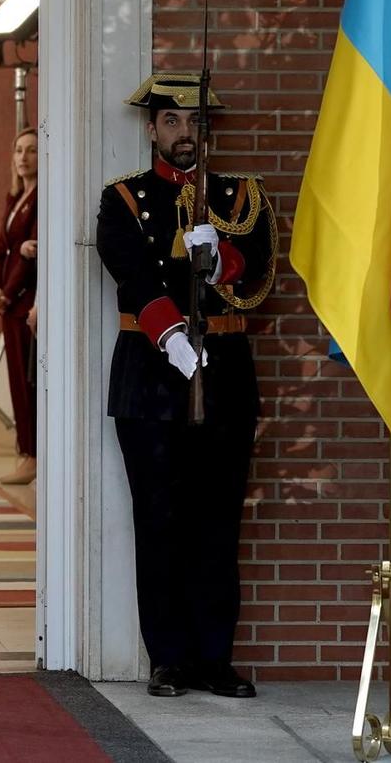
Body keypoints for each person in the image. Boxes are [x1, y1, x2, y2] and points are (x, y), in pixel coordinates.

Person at [95, 71, 275, 700]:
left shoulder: (240, 197)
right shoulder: (122, 199)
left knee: (218, 520)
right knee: (161, 518)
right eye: (172, 122)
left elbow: (257, 282)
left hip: (224, 373)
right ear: (152, 129)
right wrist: (172, 339)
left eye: (195, 122)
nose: (184, 134)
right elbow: (132, 275)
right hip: (150, 376)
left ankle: (213, 657)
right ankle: (168, 658)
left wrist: (218, 254)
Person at [0, 127, 39, 485]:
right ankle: (26, 451)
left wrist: (7, 292)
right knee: (17, 384)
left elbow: (32, 252)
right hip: (9, 304)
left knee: (28, 383)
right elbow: (0, 250)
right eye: (19, 150)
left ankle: (33, 455)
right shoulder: (15, 198)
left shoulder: (42, 199)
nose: (23, 157)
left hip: (26, 305)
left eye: (32, 150)